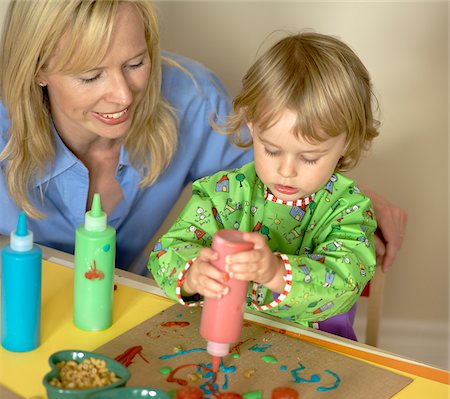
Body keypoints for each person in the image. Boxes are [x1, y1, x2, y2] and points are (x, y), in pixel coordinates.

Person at [0, 0, 406, 277]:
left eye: (136, 63)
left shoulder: (190, 97)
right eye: (90, 76)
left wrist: (355, 193)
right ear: (37, 69)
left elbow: (270, 174)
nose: (124, 96)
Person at [149, 32, 383, 339]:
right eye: (272, 150)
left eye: (310, 158)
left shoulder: (348, 210)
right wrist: (192, 273)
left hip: (317, 350)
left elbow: (345, 282)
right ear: (251, 124)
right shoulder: (223, 194)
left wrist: (275, 272)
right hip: (223, 337)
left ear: (346, 143)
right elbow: (166, 251)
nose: (286, 171)